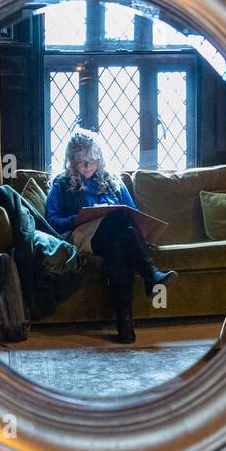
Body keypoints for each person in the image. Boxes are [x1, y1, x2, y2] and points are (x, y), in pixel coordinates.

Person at [45, 130, 177, 344]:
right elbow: (52, 221)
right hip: (82, 237)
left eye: (91, 159)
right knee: (120, 215)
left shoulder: (113, 181)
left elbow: (133, 215)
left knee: (118, 248)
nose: (87, 165)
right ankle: (151, 275)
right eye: (80, 161)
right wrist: (77, 218)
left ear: (99, 157)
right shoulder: (61, 184)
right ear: (71, 161)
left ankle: (125, 326)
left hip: (110, 239)